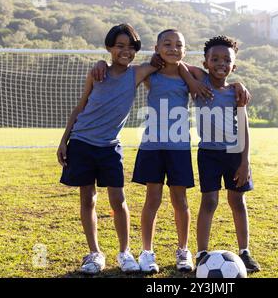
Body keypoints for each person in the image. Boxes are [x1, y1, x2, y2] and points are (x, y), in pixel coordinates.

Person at [92, 29, 250, 274]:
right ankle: (147, 252)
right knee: (152, 199)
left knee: (180, 200)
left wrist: (235, 83)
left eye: (178, 45)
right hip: (153, 146)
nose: (173, 48)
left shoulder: (189, 78)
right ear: (156, 48)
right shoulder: (150, 73)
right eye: (167, 44)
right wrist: (102, 62)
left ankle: (183, 250)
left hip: (179, 147)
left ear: (185, 51)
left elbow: (205, 73)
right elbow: (122, 70)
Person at [57, 23, 162, 275]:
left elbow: (162, 61)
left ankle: (124, 252)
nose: (125, 51)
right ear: (109, 48)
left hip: (110, 147)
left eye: (130, 47)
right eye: (119, 46)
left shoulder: (136, 73)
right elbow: (80, 107)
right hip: (81, 142)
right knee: (88, 198)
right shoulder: (97, 73)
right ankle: (94, 254)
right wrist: (64, 140)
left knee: (118, 199)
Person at [193, 35, 261, 272]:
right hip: (208, 153)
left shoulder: (236, 93)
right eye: (215, 59)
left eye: (226, 60)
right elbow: (179, 64)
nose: (220, 63)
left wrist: (245, 162)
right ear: (205, 63)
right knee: (209, 201)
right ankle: (201, 253)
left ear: (234, 66)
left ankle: (245, 252)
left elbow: (243, 126)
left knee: (237, 201)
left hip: (234, 152)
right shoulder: (200, 85)